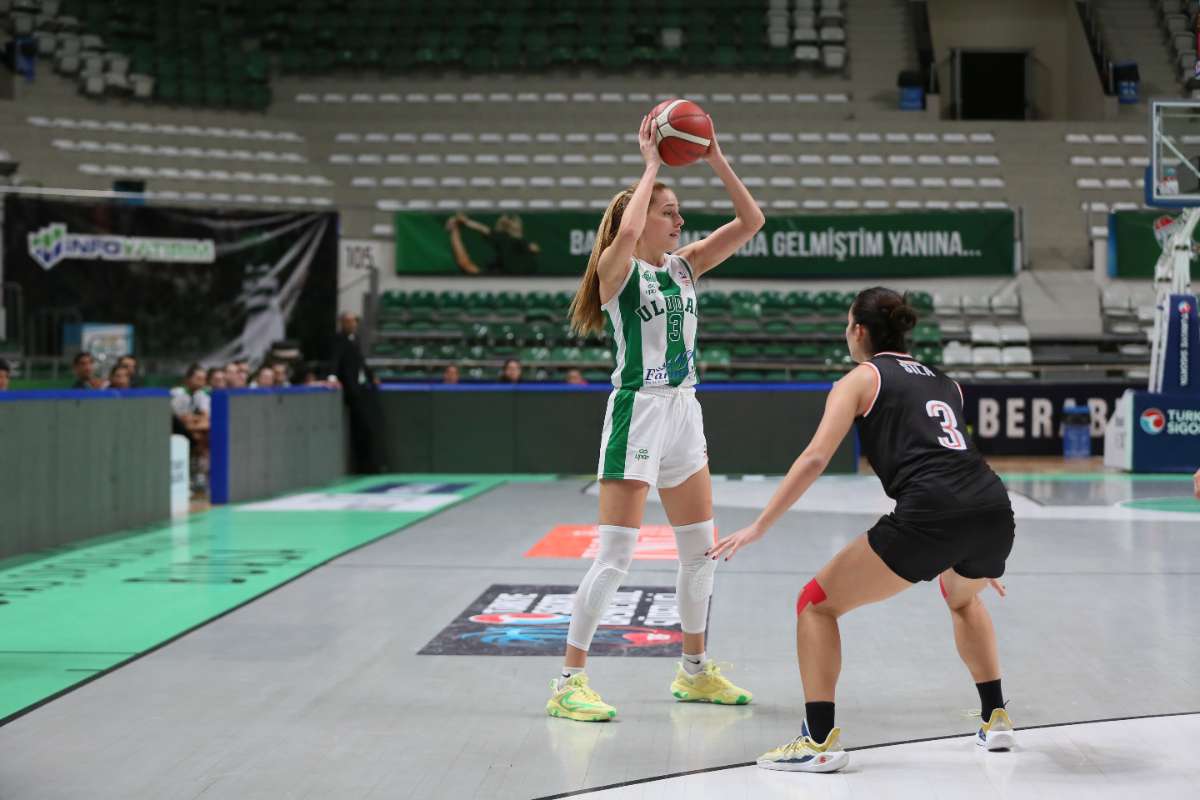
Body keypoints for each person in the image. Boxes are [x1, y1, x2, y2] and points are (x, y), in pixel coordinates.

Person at [708, 287, 1016, 773]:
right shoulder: (946, 382)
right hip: (993, 508)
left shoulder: (861, 378)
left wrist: (759, 526)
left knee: (815, 604)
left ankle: (817, 740)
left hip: (933, 513)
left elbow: (814, 458)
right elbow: (956, 455)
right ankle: (995, 716)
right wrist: (976, 541)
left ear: (858, 331)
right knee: (962, 597)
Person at [546, 112, 765, 723]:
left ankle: (694, 672)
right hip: (637, 413)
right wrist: (649, 168)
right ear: (638, 223)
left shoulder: (683, 267)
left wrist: (715, 157)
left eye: (678, 214)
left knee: (699, 552)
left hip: (684, 412)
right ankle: (568, 680)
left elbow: (753, 222)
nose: (679, 222)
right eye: (670, 213)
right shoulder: (619, 270)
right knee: (615, 555)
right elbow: (628, 230)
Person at [331, 311, 386, 473]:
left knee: (368, 429)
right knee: (361, 429)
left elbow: (360, 361)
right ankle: (364, 467)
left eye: (354, 321)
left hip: (362, 389)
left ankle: (370, 465)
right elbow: (335, 360)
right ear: (342, 323)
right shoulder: (339, 340)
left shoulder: (355, 339)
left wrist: (371, 376)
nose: (352, 324)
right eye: (348, 321)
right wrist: (332, 376)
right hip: (352, 391)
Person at [446, 212, 541, 275]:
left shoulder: (504, 238)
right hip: (525, 275)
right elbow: (535, 248)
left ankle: (453, 231)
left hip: (504, 276)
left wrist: (460, 223)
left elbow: (482, 228)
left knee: (466, 265)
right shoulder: (526, 245)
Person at [171, 364, 212, 495]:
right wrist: (195, 419)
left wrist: (193, 419)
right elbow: (181, 420)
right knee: (197, 440)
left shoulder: (202, 395)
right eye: (198, 378)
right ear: (188, 379)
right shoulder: (178, 395)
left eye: (203, 379)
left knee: (204, 437)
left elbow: (205, 418)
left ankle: (199, 477)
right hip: (180, 432)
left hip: (196, 431)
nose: (202, 382)